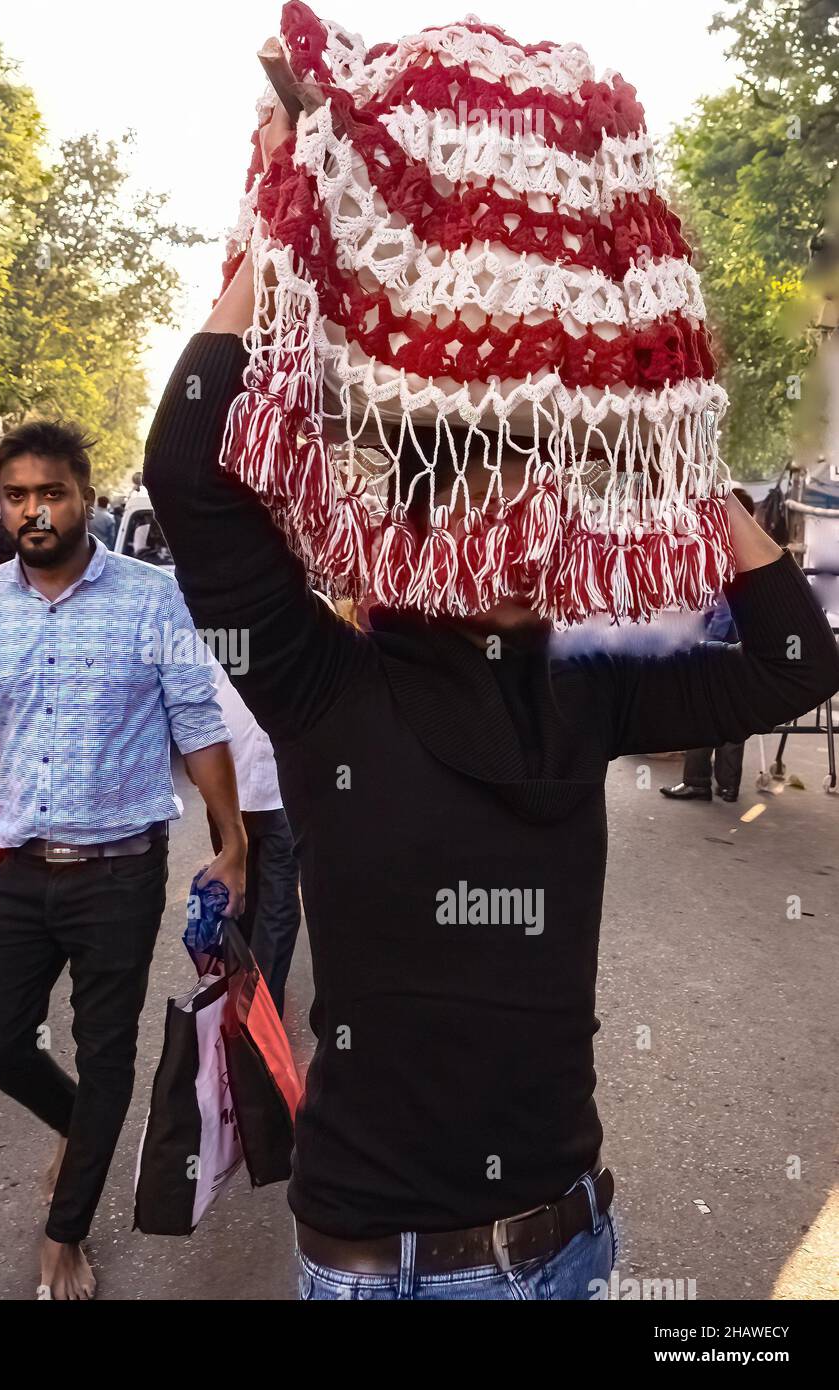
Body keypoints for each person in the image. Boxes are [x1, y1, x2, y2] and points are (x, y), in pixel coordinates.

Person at [143, 106, 839, 1301]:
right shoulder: (321, 683)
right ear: (411, 520)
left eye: (546, 495)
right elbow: (189, 480)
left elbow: (796, 661)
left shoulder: (590, 690)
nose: (524, 530)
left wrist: (673, 443)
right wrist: (283, 240)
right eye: (487, 494)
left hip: (568, 1243)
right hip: (380, 1268)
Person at [0, 418, 245, 1301]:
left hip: (121, 871)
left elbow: (197, 719)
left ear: (84, 498)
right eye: (17, 495)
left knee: (107, 1057)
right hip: (17, 869)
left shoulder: (151, 598)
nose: (32, 511)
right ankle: (83, 1129)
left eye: (50, 493)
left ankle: (65, 1230)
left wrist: (232, 841)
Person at [206, 659, 301, 1016]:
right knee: (239, 896)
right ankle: (240, 988)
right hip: (230, 791)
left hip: (284, 791)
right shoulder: (213, 629)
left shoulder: (312, 614)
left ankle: (260, 1013)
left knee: (278, 902)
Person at [659, 488, 757, 804]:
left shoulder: (727, 546)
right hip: (745, 646)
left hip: (721, 645)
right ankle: (728, 785)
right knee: (734, 713)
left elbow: (725, 609)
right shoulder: (756, 547)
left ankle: (697, 781)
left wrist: (705, 645)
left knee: (702, 711)